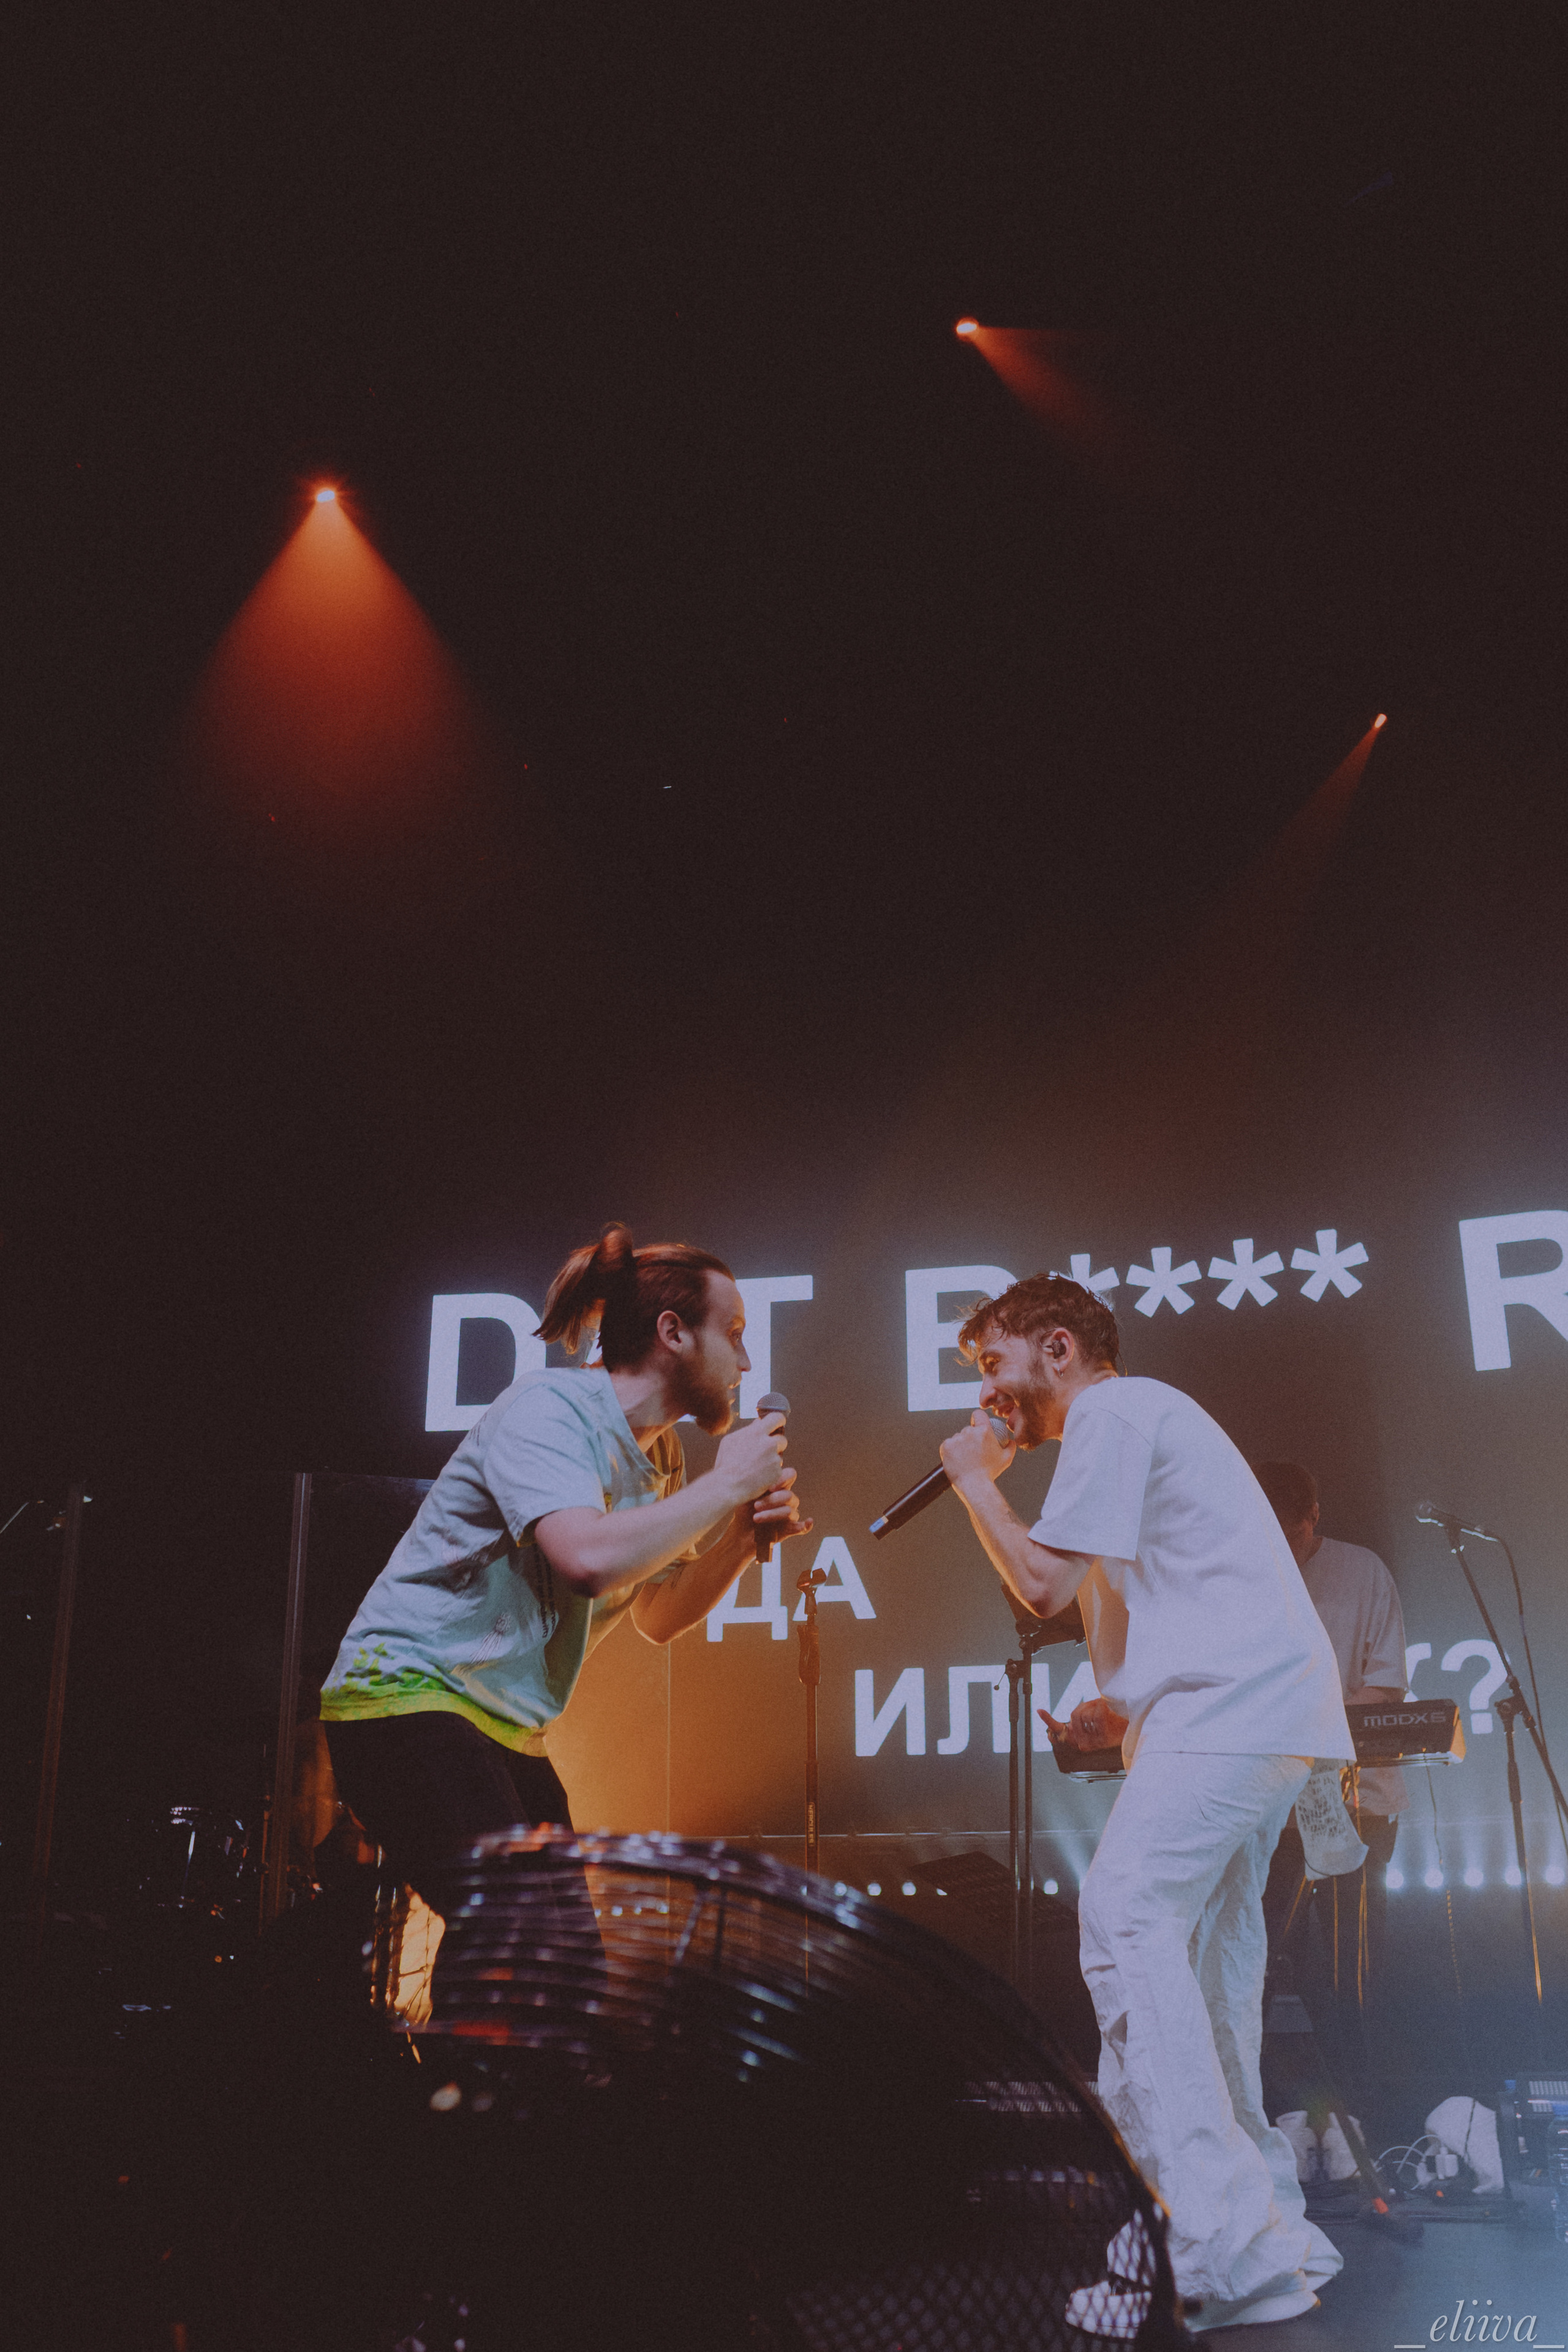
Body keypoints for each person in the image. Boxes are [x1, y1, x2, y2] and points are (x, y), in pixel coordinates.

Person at [938, 1272, 1352, 2337]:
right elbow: (1118, 1598)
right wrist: (1107, 1710)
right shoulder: (1132, 1426)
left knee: (1127, 1920)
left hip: (1233, 1712)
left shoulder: (1115, 1409)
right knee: (1210, 1969)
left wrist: (974, 1482)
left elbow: (1040, 1586)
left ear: (1060, 1349)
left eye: (997, 1365)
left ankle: (1205, 2246)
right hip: (1255, 1716)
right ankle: (1266, 2226)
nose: (992, 1395)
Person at [320, 1224, 811, 1912]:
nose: (748, 1361)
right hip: (407, 1699)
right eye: (733, 1333)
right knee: (525, 1940)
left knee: (558, 1968)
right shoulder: (547, 1409)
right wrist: (726, 1486)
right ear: (672, 1332)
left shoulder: (663, 1457)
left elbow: (659, 1616)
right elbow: (585, 1561)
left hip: (506, 1727)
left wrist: (737, 1535)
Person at [1251, 1461, 1408, 2024]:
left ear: (1313, 1517)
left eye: (1289, 1532)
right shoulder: (1243, 1578)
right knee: (1256, 1966)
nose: (1278, 1546)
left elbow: (1386, 1689)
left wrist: (1310, 1727)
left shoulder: (1363, 1573)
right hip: (1271, 1810)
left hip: (1356, 1802)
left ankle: (1358, 2103)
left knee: (1354, 1972)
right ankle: (1262, 2105)